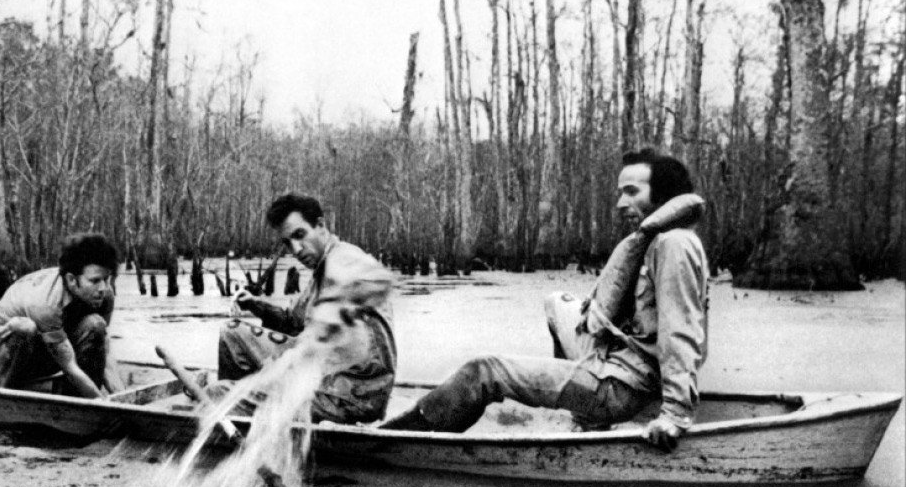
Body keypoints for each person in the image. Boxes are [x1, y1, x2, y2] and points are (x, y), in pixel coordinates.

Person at [382, 149, 708, 452]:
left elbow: (680, 333)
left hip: (622, 386)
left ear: (663, 195)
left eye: (632, 192)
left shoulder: (674, 246)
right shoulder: (657, 239)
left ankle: (394, 442)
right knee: (557, 303)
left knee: (485, 371)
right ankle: (579, 411)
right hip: (610, 357)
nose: (621, 203)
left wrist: (675, 415)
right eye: (620, 192)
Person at [216, 193, 397, 424]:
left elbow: (379, 279)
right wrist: (255, 303)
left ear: (320, 226)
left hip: (353, 396)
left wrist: (328, 319)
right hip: (327, 376)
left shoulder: (344, 259)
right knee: (233, 334)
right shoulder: (321, 268)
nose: (296, 249)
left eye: (300, 235)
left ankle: (240, 415)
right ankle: (249, 410)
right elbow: (293, 321)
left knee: (220, 395)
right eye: (287, 243)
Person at [0, 233, 124, 400]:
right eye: (95, 281)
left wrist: (123, 399)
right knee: (24, 328)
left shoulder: (104, 294)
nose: (103, 288)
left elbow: (105, 349)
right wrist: (102, 404)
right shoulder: (46, 304)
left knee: (96, 325)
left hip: (44, 350)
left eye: (106, 279)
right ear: (72, 280)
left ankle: (75, 401)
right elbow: (69, 366)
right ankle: (7, 395)